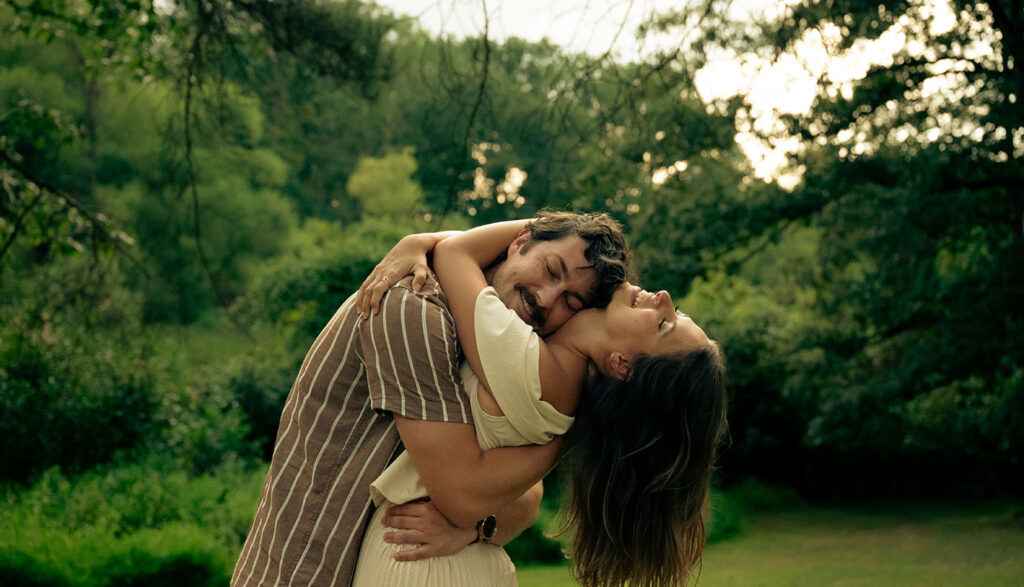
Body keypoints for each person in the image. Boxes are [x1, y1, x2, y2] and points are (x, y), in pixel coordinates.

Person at [231, 211, 630, 586]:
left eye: (570, 302)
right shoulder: (415, 308)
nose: (546, 298)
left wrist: (475, 527)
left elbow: (524, 501)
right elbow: (464, 493)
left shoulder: (493, 349)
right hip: (304, 571)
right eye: (550, 270)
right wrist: (575, 428)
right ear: (518, 241)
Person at [349, 220, 728, 586]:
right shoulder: (562, 387)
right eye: (676, 313)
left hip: (417, 565)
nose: (664, 299)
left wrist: (561, 229)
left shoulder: (532, 370)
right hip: (448, 561)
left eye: (664, 324)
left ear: (623, 365)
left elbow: (453, 253)